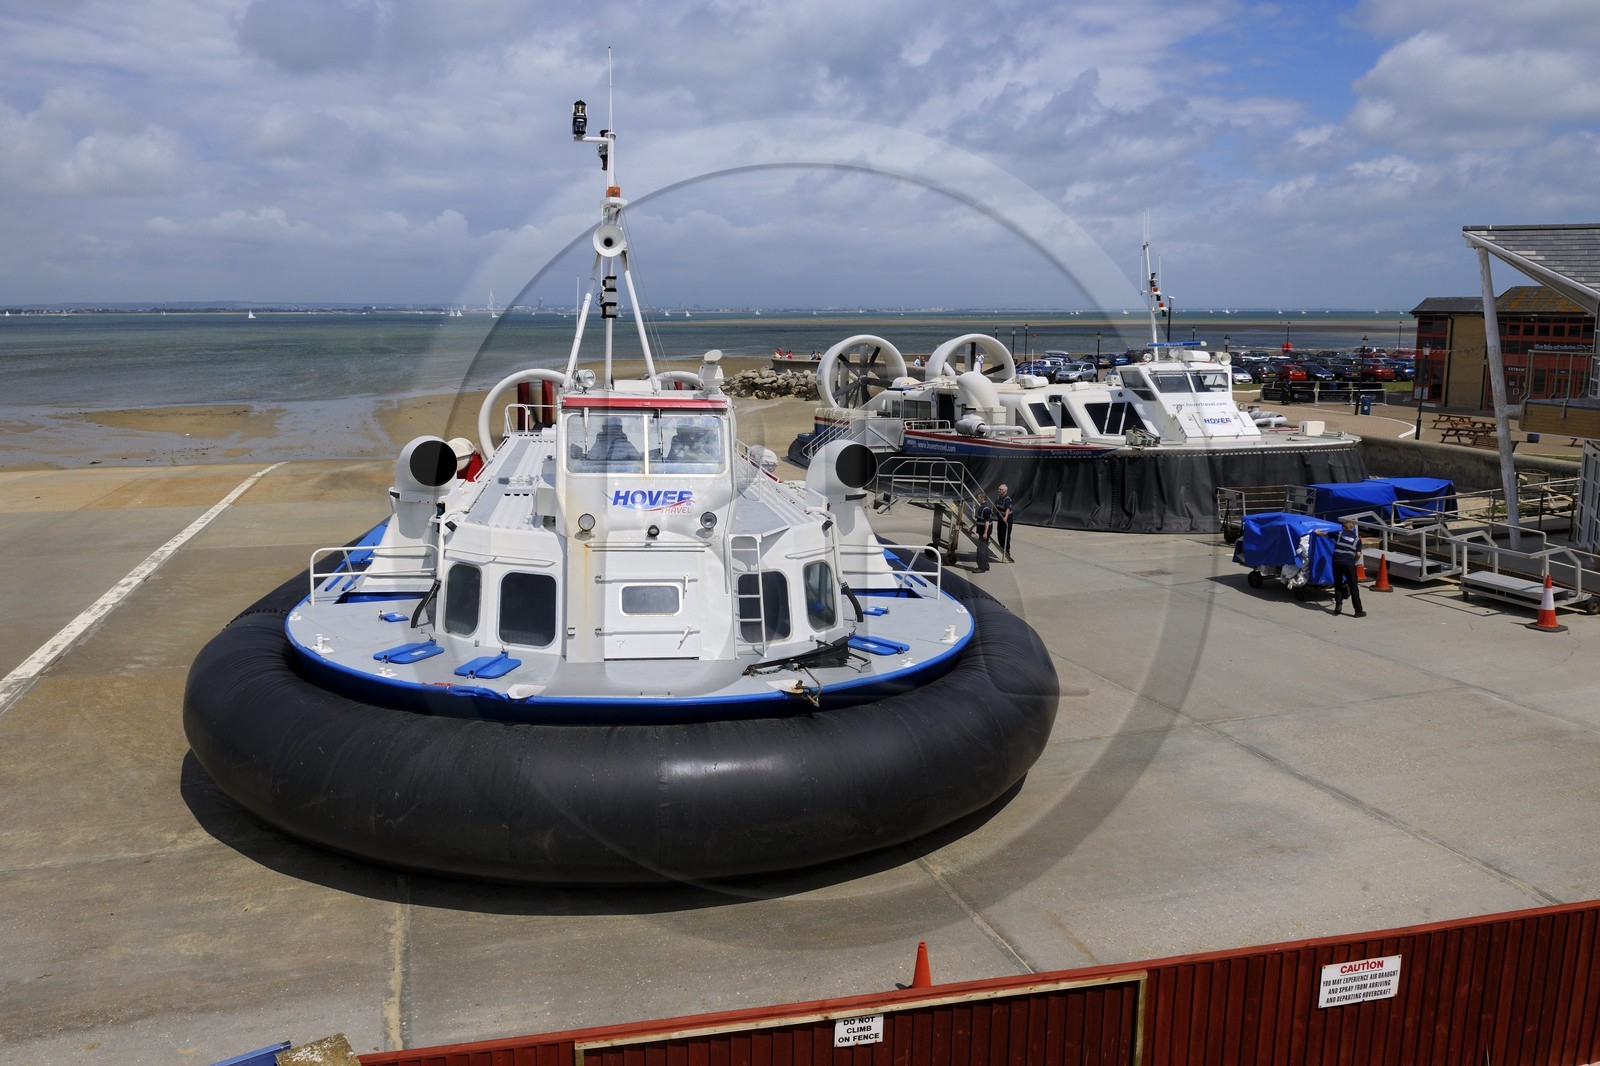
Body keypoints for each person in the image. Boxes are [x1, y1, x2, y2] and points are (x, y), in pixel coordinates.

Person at [1317, 517, 1366, 617]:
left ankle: (1338, 607)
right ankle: (1358, 611)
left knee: (1338, 584)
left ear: (1343, 528)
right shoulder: (1357, 540)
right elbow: (1358, 554)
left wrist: (1317, 532)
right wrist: (1353, 562)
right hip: (1349, 564)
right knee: (1353, 587)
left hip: (1337, 562)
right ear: (1352, 529)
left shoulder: (1339, 534)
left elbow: (1326, 534)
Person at [973, 492, 994, 573]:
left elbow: (987, 522)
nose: (977, 499)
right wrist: (972, 527)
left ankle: (981, 568)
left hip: (984, 533)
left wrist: (985, 533)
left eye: (978, 497)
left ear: (982, 498)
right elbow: (979, 519)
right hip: (982, 532)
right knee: (984, 549)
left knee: (981, 550)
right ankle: (985, 566)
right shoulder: (982, 507)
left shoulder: (986, 509)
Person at [995, 483, 1015, 555]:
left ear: (1005, 490)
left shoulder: (1007, 499)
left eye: (1000, 489)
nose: (998, 490)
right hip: (1000, 519)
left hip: (1007, 520)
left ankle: (1007, 551)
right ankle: (1001, 549)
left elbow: (1008, 509)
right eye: (999, 489)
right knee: (999, 535)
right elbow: (996, 507)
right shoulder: (998, 497)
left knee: (1005, 535)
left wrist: (1005, 517)